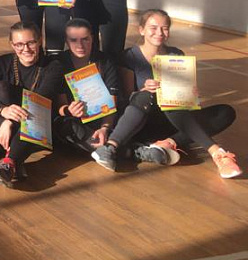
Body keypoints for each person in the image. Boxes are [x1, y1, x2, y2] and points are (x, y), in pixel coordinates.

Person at [90, 10, 240, 178]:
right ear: (141, 30)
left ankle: (167, 143)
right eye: (153, 28)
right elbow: (126, 99)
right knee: (151, 96)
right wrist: (143, 90)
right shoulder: (129, 57)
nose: (159, 33)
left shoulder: (176, 54)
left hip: (174, 121)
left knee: (225, 112)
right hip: (141, 120)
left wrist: (191, 95)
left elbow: (184, 99)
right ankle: (217, 153)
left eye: (165, 28)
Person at [0, 22, 63, 188]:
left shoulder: (53, 66)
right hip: (4, 123)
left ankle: (10, 162)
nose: (26, 49)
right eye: (19, 44)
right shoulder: (3, 62)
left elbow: (39, 100)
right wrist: (3, 111)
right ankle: (16, 159)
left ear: (40, 40)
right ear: (12, 45)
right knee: (1, 87)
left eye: (31, 43)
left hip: (35, 124)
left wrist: (10, 121)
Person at [52, 18, 121, 154]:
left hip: (102, 119)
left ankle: (104, 147)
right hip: (73, 120)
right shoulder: (58, 63)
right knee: (66, 125)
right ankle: (110, 150)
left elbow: (112, 102)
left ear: (92, 38)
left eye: (85, 39)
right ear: (66, 41)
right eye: (73, 40)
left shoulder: (105, 61)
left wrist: (104, 128)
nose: (80, 45)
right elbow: (59, 106)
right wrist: (69, 110)